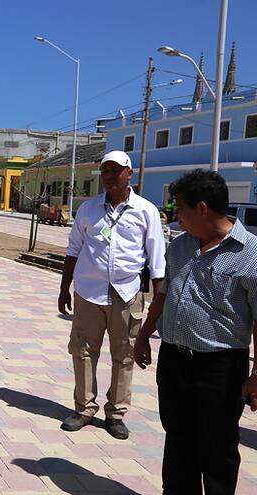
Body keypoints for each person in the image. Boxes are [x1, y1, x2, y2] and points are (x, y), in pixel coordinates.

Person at [133, 169, 257, 494]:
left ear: (201, 208)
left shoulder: (251, 253)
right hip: (174, 361)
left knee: (217, 447)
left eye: (180, 208)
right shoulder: (180, 246)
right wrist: (144, 335)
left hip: (220, 368)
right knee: (178, 439)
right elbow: (164, 294)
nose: (176, 216)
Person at [57, 150, 166, 440]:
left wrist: (159, 302)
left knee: (125, 354)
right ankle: (84, 408)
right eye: (105, 171)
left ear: (129, 174)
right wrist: (64, 288)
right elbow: (73, 250)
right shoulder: (88, 209)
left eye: (115, 171)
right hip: (88, 292)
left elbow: (157, 260)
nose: (108, 176)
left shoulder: (146, 211)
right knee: (82, 351)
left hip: (127, 293)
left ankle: (116, 414)